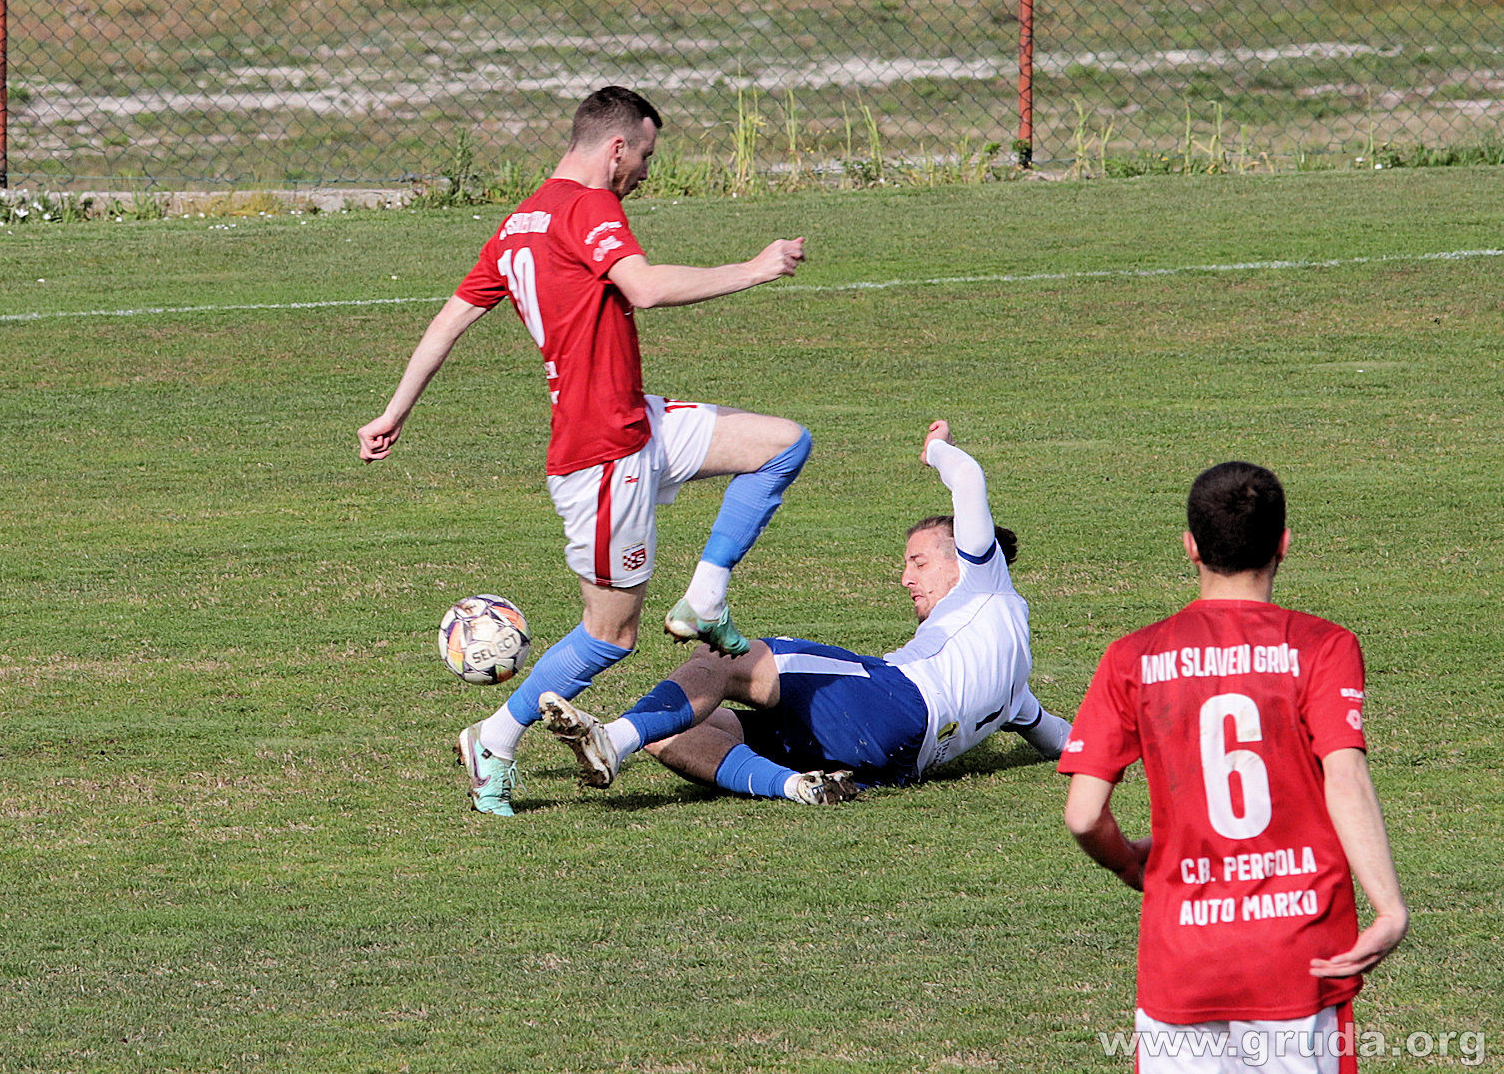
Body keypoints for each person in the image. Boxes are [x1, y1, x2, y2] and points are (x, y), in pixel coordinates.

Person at [357, 86, 811, 818]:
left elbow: (448, 321)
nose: (645, 173)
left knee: (784, 444)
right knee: (611, 634)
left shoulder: (518, 222)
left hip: (639, 423)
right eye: (646, 157)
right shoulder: (589, 205)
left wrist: (394, 410)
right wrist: (754, 268)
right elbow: (644, 288)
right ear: (616, 147)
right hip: (602, 457)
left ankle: (706, 597)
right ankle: (494, 739)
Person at [1060, 462, 1408, 1073]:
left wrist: (1128, 863)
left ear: (1191, 547)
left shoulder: (1132, 656)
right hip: (1297, 953)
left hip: (1183, 957)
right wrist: (1389, 906)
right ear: (1283, 544)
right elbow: (1346, 778)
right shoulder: (1323, 646)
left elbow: (1084, 816)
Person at [537, 420, 1074, 804]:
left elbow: (969, 478)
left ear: (967, 557)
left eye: (919, 561)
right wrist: (1111, 743)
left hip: (896, 700)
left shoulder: (984, 580)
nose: (906, 578)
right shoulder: (1015, 691)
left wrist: (936, 447)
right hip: (892, 760)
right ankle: (797, 786)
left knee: (723, 658)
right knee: (675, 728)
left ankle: (613, 740)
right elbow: (1057, 738)